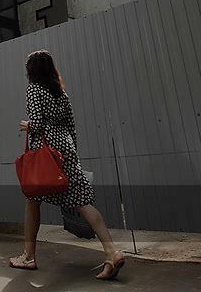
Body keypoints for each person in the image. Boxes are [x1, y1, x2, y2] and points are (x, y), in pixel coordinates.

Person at [8, 50, 125, 280]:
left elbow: (37, 123)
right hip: (67, 148)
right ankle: (112, 252)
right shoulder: (62, 93)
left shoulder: (34, 89)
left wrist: (28, 125)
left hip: (46, 152)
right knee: (82, 201)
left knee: (33, 199)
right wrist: (71, 154)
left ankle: (28, 257)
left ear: (32, 71)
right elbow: (72, 126)